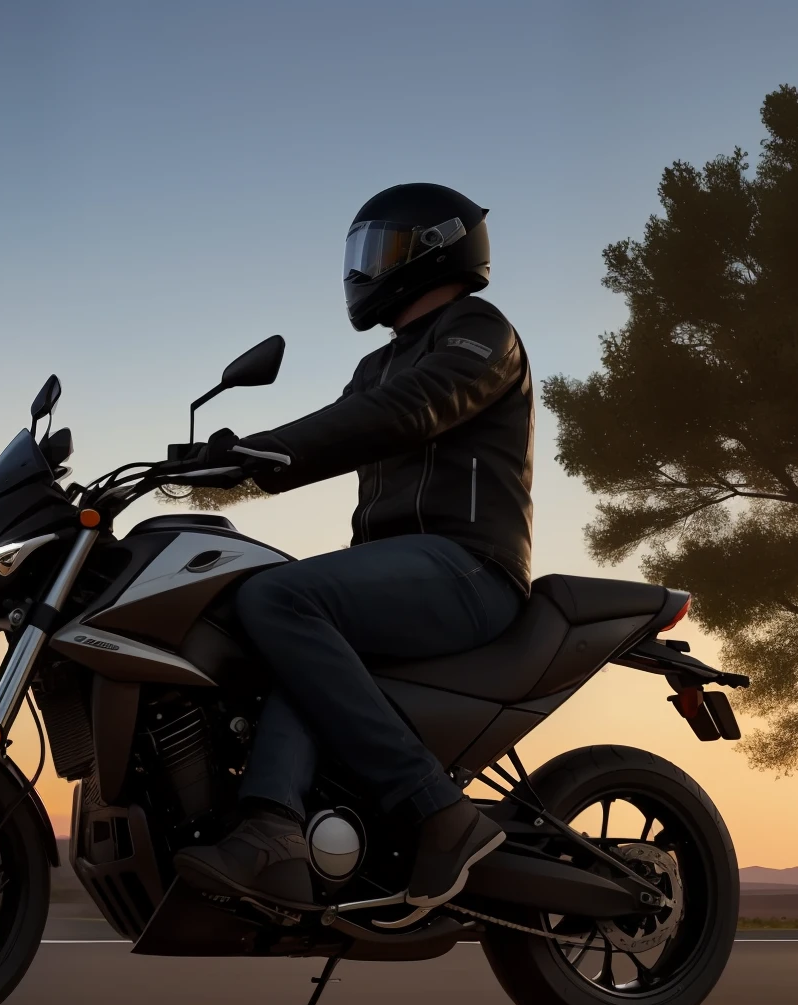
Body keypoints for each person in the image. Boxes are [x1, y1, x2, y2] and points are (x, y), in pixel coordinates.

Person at [173, 183, 531, 924]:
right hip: (403, 573)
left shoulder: (480, 332)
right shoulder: (376, 365)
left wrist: (262, 451)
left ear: (434, 250)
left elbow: (405, 412)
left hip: (468, 567)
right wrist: (207, 469)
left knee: (278, 595)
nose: (365, 269)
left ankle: (436, 810)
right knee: (258, 603)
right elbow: (351, 417)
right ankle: (275, 826)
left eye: (382, 251)